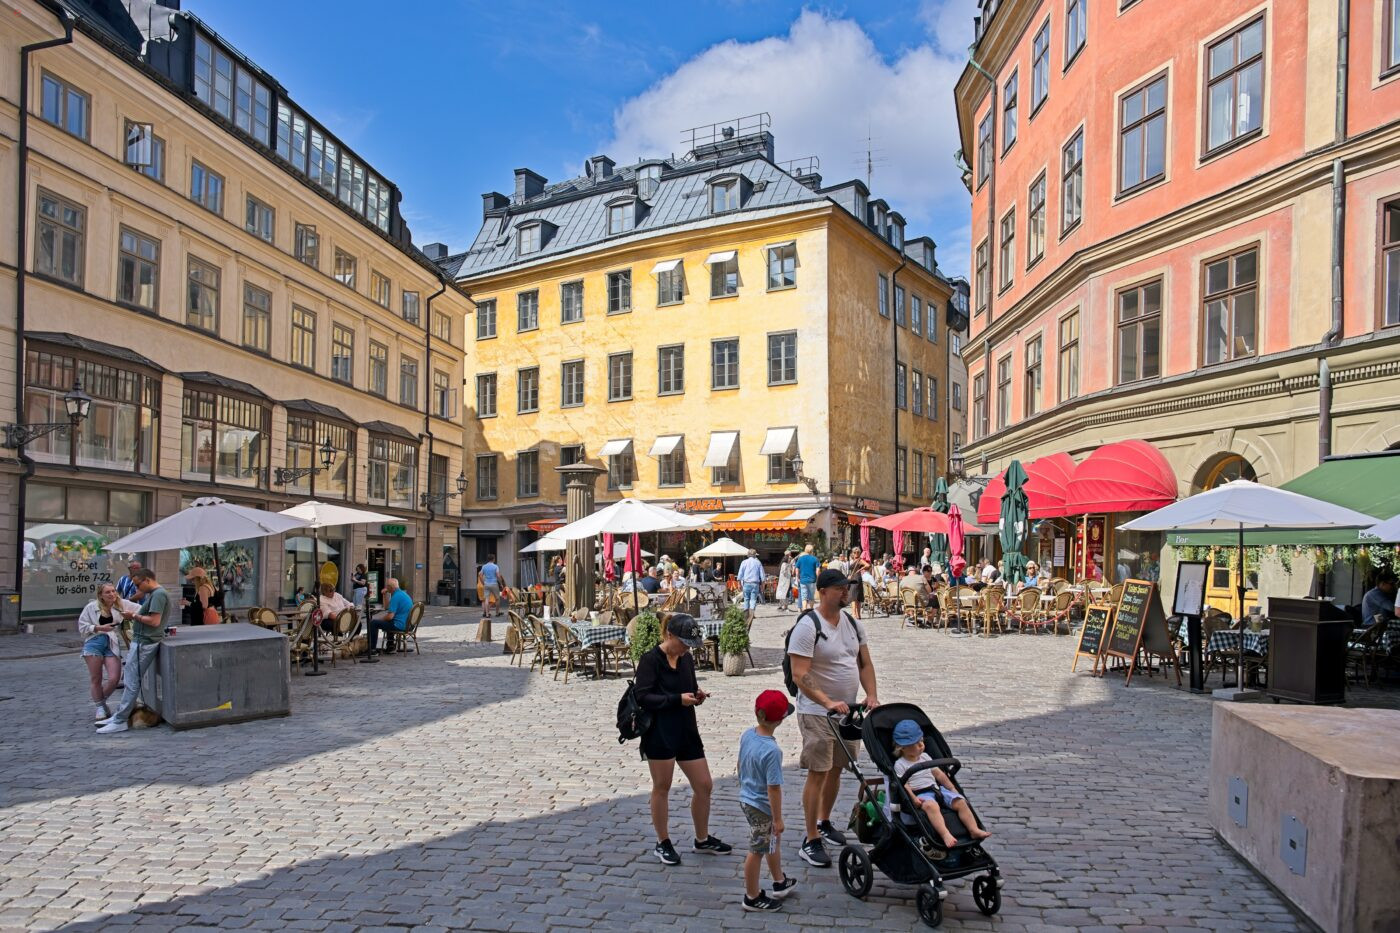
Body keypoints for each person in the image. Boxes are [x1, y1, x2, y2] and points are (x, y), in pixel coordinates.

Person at [786, 569, 879, 868]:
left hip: (849, 713)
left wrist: (872, 695)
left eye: (847, 587)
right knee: (818, 771)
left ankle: (824, 821)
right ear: (823, 591)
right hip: (817, 712)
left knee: (838, 768)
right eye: (840, 588)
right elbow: (800, 674)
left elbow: (864, 663)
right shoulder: (808, 626)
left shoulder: (852, 623)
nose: (846, 592)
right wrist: (828, 701)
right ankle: (810, 837)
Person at [635, 613, 731, 865]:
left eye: (690, 644)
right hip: (660, 731)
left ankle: (701, 839)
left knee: (704, 785)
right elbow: (643, 697)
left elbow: (688, 686)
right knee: (662, 786)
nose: (687, 648)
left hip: (687, 729)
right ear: (669, 635)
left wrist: (697, 694)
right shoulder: (650, 660)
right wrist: (677, 699)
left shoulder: (686, 659)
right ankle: (662, 841)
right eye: (684, 643)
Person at [738, 690, 799, 912]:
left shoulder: (747, 734)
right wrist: (778, 818)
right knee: (757, 849)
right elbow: (773, 788)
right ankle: (752, 896)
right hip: (762, 806)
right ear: (780, 720)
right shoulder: (772, 751)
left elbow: (740, 765)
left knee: (771, 841)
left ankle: (779, 880)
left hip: (747, 798)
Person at [891, 719, 991, 849]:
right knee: (932, 806)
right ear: (902, 747)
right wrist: (913, 798)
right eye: (916, 744)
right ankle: (945, 834)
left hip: (937, 790)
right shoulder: (900, 764)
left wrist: (952, 788)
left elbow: (939, 775)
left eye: (922, 741)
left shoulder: (925, 757)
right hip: (921, 794)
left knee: (961, 802)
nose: (921, 745)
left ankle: (973, 829)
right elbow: (904, 784)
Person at [96, 569, 172, 734]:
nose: (138, 589)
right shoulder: (156, 594)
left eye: (138, 585)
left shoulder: (158, 594)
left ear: (147, 580)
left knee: (131, 681)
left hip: (145, 642)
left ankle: (121, 719)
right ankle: (119, 716)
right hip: (142, 641)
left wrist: (133, 616)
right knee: (131, 679)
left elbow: (154, 621)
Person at [79, 582, 139, 720]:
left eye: (113, 591)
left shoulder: (121, 604)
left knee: (114, 678)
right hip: (94, 643)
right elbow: (82, 627)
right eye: (108, 592)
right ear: (100, 595)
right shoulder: (91, 607)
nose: (112, 594)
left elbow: (141, 609)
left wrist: (133, 616)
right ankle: (100, 708)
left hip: (111, 642)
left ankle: (101, 701)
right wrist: (99, 628)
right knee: (96, 678)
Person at [366, 578, 413, 656]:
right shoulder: (402, 594)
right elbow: (387, 607)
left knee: (373, 623)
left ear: (390, 587)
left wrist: (379, 619)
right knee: (388, 621)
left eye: (387, 586)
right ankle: (390, 646)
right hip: (408, 624)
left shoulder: (396, 597)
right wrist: (385, 594)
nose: (386, 588)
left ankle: (372, 650)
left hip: (400, 625)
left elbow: (389, 617)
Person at [738, 549, 765, 621]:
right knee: (753, 600)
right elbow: (762, 575)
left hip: (746, 583)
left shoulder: (744, 562)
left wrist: (739, 584)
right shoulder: (758, 562)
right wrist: (762, 585)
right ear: (755, 555)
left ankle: (746, 615)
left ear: (748, 554)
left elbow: (740, 573)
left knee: (746, 599)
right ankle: (752, 615)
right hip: (755, 584)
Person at [793, 544, 820, 612]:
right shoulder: (815, 559)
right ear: (812, 551)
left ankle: (804, 610)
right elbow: (818, 570)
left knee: (804, 596)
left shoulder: (801, 558)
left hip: (803, 580)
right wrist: (818, 577)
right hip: (812, 580)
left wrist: (797, 577)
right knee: (811, 596)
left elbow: (797, 569)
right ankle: (811, 610)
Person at [846, 547, 868, 621]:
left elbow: (867, 565)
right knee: (857, 597)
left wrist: (860, 569)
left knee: (854, 597)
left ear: (859, 553)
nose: (856, 553)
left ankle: (854, 614)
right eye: (854, 552)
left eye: (857, 552)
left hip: (856, 578)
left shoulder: (859, 560)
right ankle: (858, 614)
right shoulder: (853, 560)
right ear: (852, 553)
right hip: (854, 578)